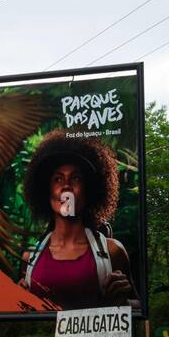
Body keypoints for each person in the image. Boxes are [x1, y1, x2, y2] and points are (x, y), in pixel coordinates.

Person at [21, 130, 138, 312]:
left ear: (89, 189)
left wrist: (121, 301)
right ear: (46, 191)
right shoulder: (30, 259)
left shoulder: (112, 251)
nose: (66, 185)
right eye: (58, 178)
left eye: (75, 178)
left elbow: (139, 308)